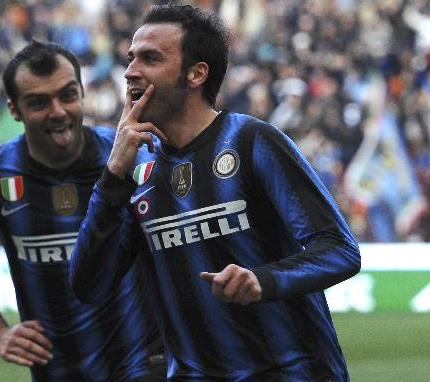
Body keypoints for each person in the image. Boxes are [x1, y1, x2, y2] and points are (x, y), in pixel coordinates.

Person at [70, 4, 361, 381]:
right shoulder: (136, 171)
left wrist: (263, 280)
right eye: (130, 59)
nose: (130, 71)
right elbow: (89, 285)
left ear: (196, 73)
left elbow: (340, 249)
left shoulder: (253, 142)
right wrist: (111, 178)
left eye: (150, 58)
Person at [0, 40, 164, 382]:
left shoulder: (137, 155)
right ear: (15, 110)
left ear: (82, 94)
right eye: (39, 102)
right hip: (56, 368)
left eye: (67, 95)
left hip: (143, 363)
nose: (58, 111)